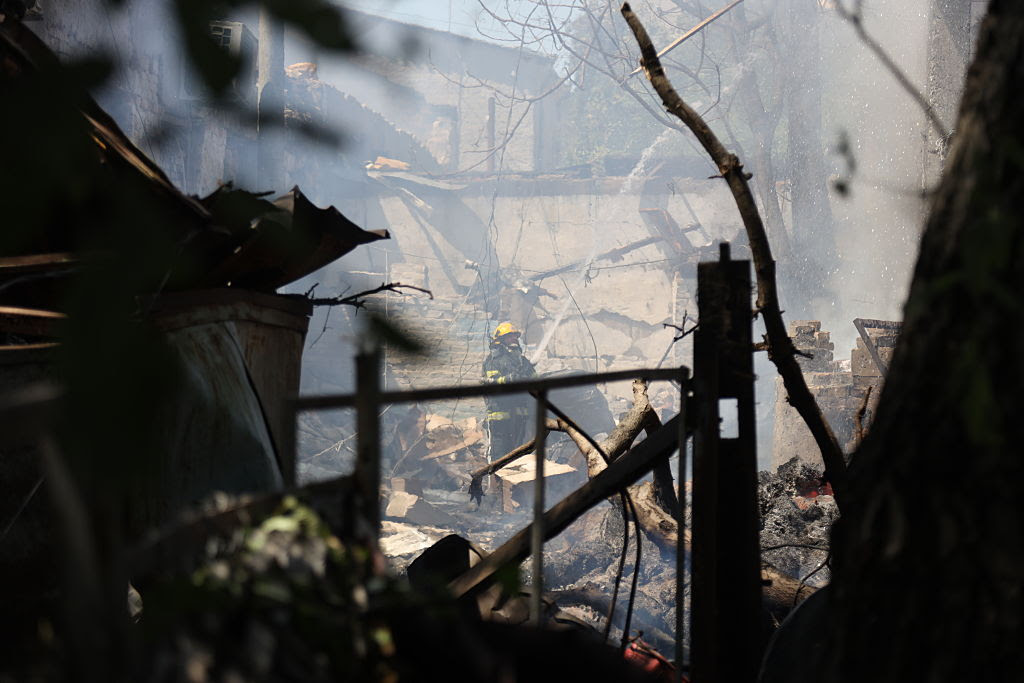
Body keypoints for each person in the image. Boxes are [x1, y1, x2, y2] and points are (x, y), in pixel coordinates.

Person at [482, 321, 536, 473]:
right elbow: (494, 382)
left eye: (515, 336)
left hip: (520, 413)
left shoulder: (522, 361)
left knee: (518, 449)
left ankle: (514, 483)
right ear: (500, 339)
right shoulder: (494, 360)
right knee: (500, 450)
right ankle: (497, 482)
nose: (514, 338)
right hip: (500, 413)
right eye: (510, 336)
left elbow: (535, 379)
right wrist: (510, 378)